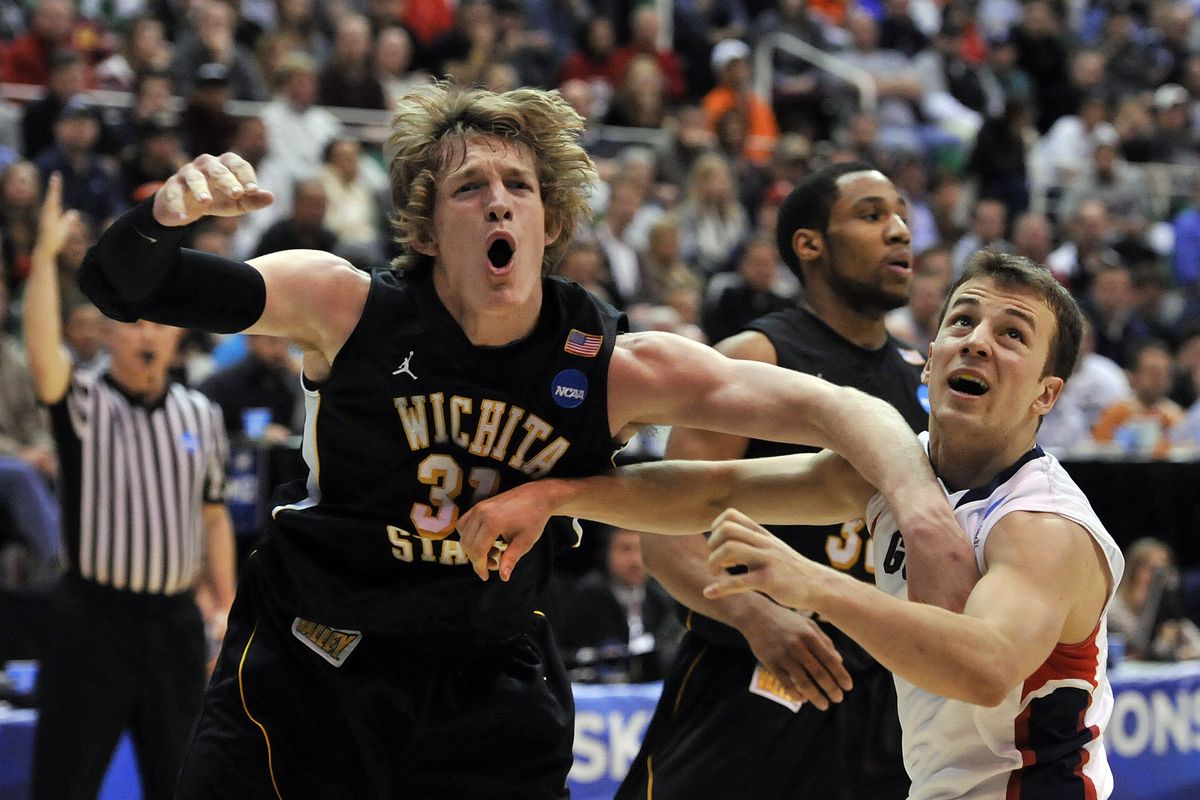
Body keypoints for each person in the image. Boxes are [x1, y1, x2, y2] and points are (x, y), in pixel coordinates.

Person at [76, 84, 967, 799]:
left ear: (550, 224)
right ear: (428, 230)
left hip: (486, 674)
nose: (499, 202)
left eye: (520, 188)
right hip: (315, 657)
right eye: (471, 188)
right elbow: (127, 286)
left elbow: (836, 409)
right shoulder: (344, 305)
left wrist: (921, 505)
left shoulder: (612, 362)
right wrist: (161, 217)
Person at [461, 250, 1124, 800]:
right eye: (963, 321)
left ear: (1047, 394)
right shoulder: (898, 474)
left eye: (1012, 335)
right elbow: (708, 493)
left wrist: (815, 585)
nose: (977, 341)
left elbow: (986, 666)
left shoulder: (1041, 523)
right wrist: (554, 496)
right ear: (930, 355)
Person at [625, 161, 942, 800]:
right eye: (872, 215)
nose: (900, 230)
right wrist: (755, 616)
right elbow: (666, 539)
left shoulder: (919, 374)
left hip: (881, 699)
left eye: (902, 215)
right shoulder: (756, 356)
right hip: (755, 673)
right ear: (810, 245)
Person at [24, 174, 236, 800]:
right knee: (63, 783)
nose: (147, 333)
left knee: (181, 784)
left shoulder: (202, 414)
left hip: (174, 626)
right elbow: (41, 357)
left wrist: (222, 605)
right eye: (133, 323)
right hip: (94, 622)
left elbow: (215, 515)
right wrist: (42, 255)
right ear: (108, 331)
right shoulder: (84, 401)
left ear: (177, 334)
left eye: (158, 323)